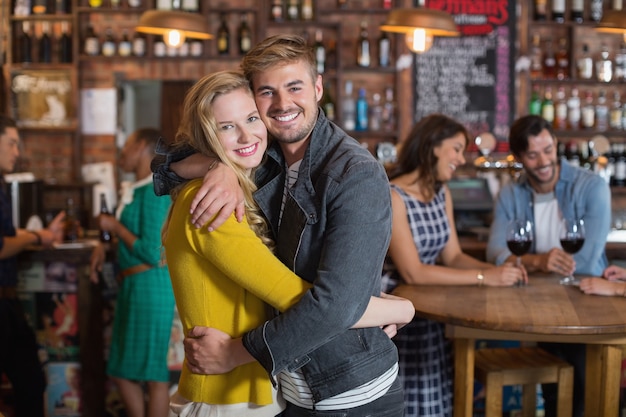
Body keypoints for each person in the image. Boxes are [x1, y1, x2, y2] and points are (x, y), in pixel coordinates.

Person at [152, 34, 409, 416]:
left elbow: (334, 306)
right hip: (290, 389)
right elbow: (164, 166)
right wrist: (218, 166)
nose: (283, 103)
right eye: (267, 92)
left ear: (318, 87)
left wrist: (233, 354)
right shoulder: (262, 156)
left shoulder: (354, 173)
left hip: (349, 391)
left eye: (294, 87)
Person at [381, 113, 526, 417]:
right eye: (457, 149)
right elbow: (413, 272)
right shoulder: (393, 196)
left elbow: (453, 256)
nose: (461, 159)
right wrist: (484, 278)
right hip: (400, 312)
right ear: (434, 146)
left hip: (432, 304)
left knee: (436, 394)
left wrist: (498, 272)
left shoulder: (440, 193)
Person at [486, 114, 611, 417]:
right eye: (532, 154)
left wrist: (527, 265)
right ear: (518, 156)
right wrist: (537, 260)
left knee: (581, 393)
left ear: (556, 144)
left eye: (548, 150)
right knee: (553, 392)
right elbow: (494, 251)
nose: (543, 161)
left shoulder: (591, 187)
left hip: (585, 303)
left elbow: (586, 259)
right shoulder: (511, 193)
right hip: (534, 305)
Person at [90, 127, 175, 417]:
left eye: (126, 147)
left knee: (150, 372)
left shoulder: (154, 190)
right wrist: (106, 245)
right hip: (136, 286)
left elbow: (154, 252)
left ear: (141, 147)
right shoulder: (139, 188)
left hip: (149, 286)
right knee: (123, 368)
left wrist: (115, 228)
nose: (121, 154)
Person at [0, 114, 65, 417]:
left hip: (7, 301)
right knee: (29, 381)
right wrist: (39, 235)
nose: (17, 152)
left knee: (30, 381)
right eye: (12, 143)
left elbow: (9, 237)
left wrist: (38, 237)